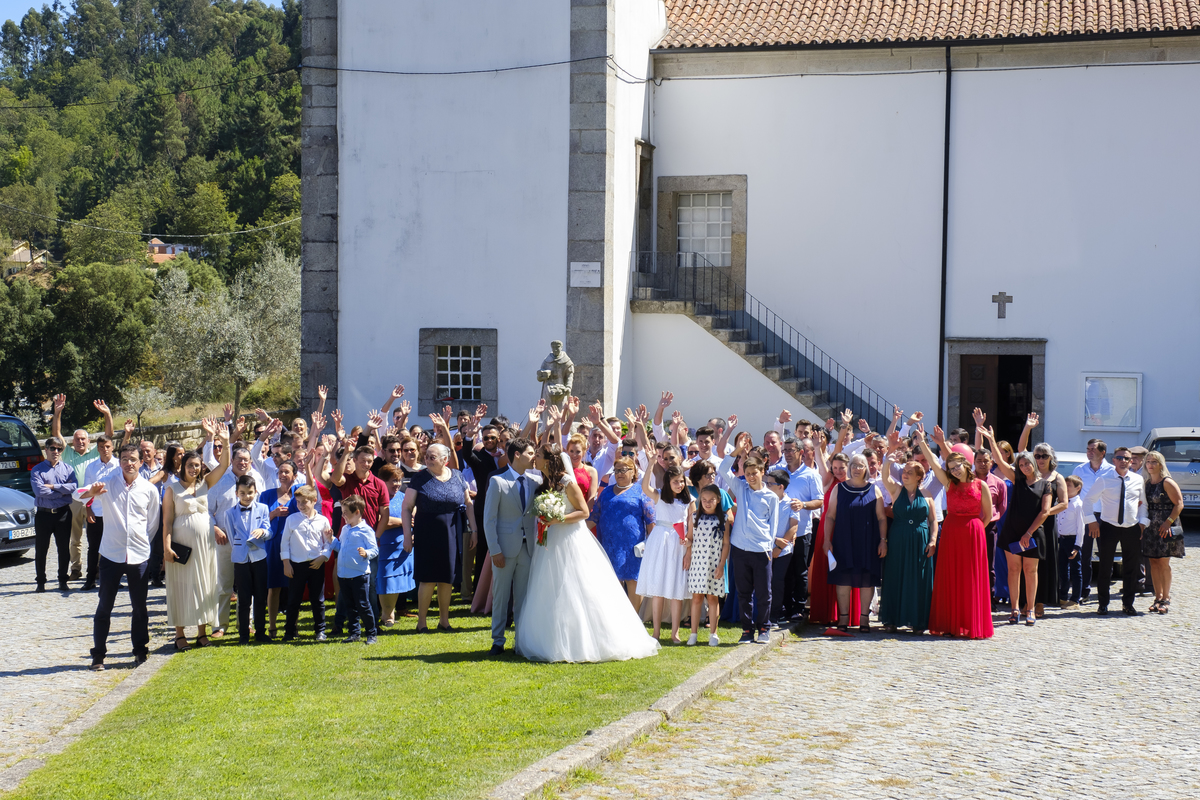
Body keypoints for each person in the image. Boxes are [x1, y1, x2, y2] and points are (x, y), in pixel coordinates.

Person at [513, 445, 659, 663]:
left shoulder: (565, 481)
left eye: (540, 456)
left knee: (576, 585)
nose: (535, 458)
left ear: (549, 459)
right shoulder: (546, 482)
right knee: (551, 586)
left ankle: (587, 640)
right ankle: (551, 637)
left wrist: (557, 519)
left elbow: (584, 512)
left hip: (570, 538)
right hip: (551, 541)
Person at [73, 443, 161, 670]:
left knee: (140, 608)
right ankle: (98, 655)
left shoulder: (149, 490)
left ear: (141, 462)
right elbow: (77, 495)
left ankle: (140, 651)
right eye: (124, 459)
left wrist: (140, 542)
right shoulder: (109, 485)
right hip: (111, 555)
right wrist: (90, 494)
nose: (128, 463)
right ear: (119, 461)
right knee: (104, 607)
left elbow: (152, 525)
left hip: (139, 556)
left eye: (133, 459)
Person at [915, 430, 993, 638]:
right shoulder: (949, 483)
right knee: (951, 577)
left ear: (966, 464)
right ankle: (951, 622)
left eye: (957, 467)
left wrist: (975, 530)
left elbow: (988, 514)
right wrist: (922, 441)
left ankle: (970, 623)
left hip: (973, 534)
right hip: (951, 532)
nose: (955, 471)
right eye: (950, 468)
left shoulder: (981, 485)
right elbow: (932, 460)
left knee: (971, 579)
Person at [163, 420, 230, 650]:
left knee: (204, 584)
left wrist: (226, 441)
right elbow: (167, 522)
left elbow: (223, 466)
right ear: (183, 465)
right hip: (182, 545)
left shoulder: (204, 484)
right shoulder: (172, 488)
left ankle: (202, 632)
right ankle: (180, 634)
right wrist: (166, 547)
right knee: (181, 586)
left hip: (205, 547)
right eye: (191, 465)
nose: (194, 469)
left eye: (198, 465)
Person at [719, 415, 780, 645]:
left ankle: (763, 628)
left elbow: (772, 527)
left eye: (755, 473)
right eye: (748, 473)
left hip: (761, 549)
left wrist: (769, 547)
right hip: (740, 548)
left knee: (764, 593)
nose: (751, 477)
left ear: (762, 472)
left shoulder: (770, 497)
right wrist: (736, 451)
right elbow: (724, 468)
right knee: (744, 592)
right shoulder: (740, 486)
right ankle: (747, 631)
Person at [402, 442, 475, 633]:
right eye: (426, 456)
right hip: (426, 530)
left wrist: (473, 529)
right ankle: (422, 623)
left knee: (447, 578)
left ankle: (444, 621)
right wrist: (407, 536)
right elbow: (407, 507)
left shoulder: (458, 476)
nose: (426, 459)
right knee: (427, 578)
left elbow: (468, 503)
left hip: (452, 531)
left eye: (432, 457)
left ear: (445, 460)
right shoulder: (420, 478)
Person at [987, 430, 1052, 626]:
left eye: (1027, 463)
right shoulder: (1017, 480)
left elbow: (1045, 512)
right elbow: (999, 461)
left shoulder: (1045, 485)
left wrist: (1029, 533)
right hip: (1013, 532)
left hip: (1033, 534)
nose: (1024, 467)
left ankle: (1030, 609)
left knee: (1030, 572)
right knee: (1013, 570)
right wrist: (991, 439)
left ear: (1034, 463)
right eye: (1021, 464)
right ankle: (1015, 610)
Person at [481, 437, 538, 655]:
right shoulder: (498, 481)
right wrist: (495, 550)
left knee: (523, 596)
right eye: (530, 453)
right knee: (501, 595)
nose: (533, 457)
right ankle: (498, 640)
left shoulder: (534, 481)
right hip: (504, 548)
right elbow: (489, 519)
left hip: (527, 548)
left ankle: (521, 640)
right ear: (517, 454)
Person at [50, 394, 116, 581]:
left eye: (83, 439)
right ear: (72, 442)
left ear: (88, 442)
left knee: (98, 537)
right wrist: (57, 412)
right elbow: (56, 434)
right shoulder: (68, 453)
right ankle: (76, 569)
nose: (80, 441)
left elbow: (108, 436)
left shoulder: (96, 453)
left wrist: (107, 415)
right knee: (75, 538)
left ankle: (96, 569)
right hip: (74, 500)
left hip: (95, 500)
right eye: (77, 439)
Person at [822, 453, 887, 635]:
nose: (857, 468)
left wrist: (883, 541)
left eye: (861, 465)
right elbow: (830, 516)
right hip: (843, 540)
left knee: (866, 580)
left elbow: (882, 518)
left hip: (868, 541)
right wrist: (827, 540)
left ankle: (864, 618)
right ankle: (843, 617)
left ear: (866, 468)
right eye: (854, 465)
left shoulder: (874, 490)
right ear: (849, 467)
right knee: (843, 579)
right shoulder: (839, 488)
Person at [1081, 446, 1149, 616]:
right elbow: (1088, 501)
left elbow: (1143, 504)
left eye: (1127, 458)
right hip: (1108, 527)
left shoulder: (1137, 479)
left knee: (1130, 568)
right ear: (1114, 460)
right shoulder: (1104, 479)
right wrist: (1092, 522)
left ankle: (1128, 604)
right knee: (1105, 567)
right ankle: (1103, 604)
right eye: (1120, 458)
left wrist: (1142, 523)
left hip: (1131, 528)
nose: (1123, 461)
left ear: (1131, 460)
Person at [636, 459, 694, 644]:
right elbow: (645, 487)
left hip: (679, 543)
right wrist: (651, 464)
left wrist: (688, 547)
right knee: (658, 586)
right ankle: (656, 632)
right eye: (675, 481)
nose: (679, 484)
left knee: (676, 586)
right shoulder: (659, 496)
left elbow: (691, 526)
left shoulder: (689, 501)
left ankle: (675, 632)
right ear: (668, 482)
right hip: (660, 540)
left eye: (681, 481)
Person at [877, 453, 937, 634]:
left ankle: (918, 621)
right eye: (904, 471)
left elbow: (933, 520)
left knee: (918, 578)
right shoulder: (896, 490)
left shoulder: (927, 495)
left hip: (920, 539)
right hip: (898, 538)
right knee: (895, 575)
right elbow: (885, 476)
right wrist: (888, 461)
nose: (905, 474)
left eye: (910, 472)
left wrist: (933, 540)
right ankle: (891, 619)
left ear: (919, 477)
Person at [587, 456, 655, 609]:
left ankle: (635, 621)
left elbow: (651, 520)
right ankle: (616, 620)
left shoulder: (641, 491)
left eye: (624, 470)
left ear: (633, 472)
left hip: (633, 545)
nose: (619, 473)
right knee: (612, 580)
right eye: (617, 470)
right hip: (609, 544)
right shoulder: (606, 492)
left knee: (633, 580)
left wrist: (652, 543)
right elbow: (594, 516)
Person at [222, 475, 273, 643]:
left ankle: (260, 632)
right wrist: (240, 548)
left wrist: (263, 532)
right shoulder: (229, 513)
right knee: (243, 598)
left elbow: (269, 531)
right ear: (237, 493)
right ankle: (243, 634)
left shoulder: (263, 509)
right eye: (242, 493)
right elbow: (231, 534)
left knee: (260, 596)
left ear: (256, 492)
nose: (247, 496)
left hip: (259, 556)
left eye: (250, 492)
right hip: (241, 558)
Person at [281, 485, 333, 641]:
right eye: (298, 502)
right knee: (293, 600)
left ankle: (320, 630)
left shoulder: (323, 520)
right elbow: (285, 543)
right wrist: (286, 563)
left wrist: (323, 557)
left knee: (318, 599)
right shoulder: (292, 519)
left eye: (305, 502)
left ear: (314, 501)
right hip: (296, 565)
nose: (301, 506)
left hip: (316, 564)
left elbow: (328, 543)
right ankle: (289, 631)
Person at [683, 484, 730, 646]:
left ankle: (713, 634)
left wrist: (722, 564)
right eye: (704, 500)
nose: (707, 503)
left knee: (712, 598)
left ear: (718, 500)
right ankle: (693, 634)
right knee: (696, 598)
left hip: (714, 563)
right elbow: (690, 538)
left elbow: (726, 544)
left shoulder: (723, 519)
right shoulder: (694, 517)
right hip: (697, 563)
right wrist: (686, 542)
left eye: (711, 500)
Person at [329, 495, 379, 643]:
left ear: (357, 512)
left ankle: (371, 633)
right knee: (350, 606)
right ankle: (354, 633)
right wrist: (331, 540)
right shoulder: (345, 529)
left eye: (346, 513)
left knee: (363, 605)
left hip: (359, 574)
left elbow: (374, 549)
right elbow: (340, 547)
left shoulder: (365, 530)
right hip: (344, 574)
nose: (343, 516)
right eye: (342, 512)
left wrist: (366, 553)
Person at [32, 436, 78, 593]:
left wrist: (53, 486)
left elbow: (73, 487)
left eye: (59, 449)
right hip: (43, 515)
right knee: (41, 549)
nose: (56, 452)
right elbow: (39, 491)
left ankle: (63, 580)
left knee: (63, 549)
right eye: (53, 448)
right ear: (46, 450)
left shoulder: (68, 469)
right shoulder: (37, 470)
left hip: (63, 514)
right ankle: (40, 582)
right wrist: (61, 492)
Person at [1140, 451, 1184, 614]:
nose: (1150, 465)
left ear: (1160, 464)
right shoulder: (1147, 483)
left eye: (1154, 462)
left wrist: (1168, 522)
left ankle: (1166, 598)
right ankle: (1157, 598)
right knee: (1153, 563)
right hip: (1152, 527)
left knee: (1164, 563)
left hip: (1168, 526)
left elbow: (1179, 504)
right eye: (1148, 462)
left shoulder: (1167, 482)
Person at [258, 459, 298, 638]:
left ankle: (292, 625)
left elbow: (313, 494)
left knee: (293, 588)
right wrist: (273, 514)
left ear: (294, 476)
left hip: (295, 546)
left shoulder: (299, 494)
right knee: (274, 588)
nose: (283, 475)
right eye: (280, 472)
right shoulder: (266, 495)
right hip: (273, 546)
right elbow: (258, 520)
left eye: (287, 472)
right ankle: (272, 626)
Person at [1072, 439, 1115, 603]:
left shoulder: (1111, 470)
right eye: (1088, 449)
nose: (1089, 452)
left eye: (1093, 449)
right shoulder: (1080, 470)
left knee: (1106, 554)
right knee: (1085, 555)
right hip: (1086, 516)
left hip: (1106, 516)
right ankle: (1085, 590)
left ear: (1102, 452)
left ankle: (1105, 590)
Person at [376, 464, 416, 626]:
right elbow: (379, 521)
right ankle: (387, 615)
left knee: (397, 581)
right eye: (393, 481)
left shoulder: (404, 497)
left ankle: (389, 613)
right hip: (384, 546)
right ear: (383, 481)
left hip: (403, 546)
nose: (397, 484)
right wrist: (402, 521)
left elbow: (414, 517)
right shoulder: (378, 498)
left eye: (399, 480)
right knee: (385, 580)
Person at [79, 434, 119, 591]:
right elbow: (87, 490)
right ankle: (90, 579)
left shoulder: (118, 465)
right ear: (97, 449)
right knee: (94, 547)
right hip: (96, 512)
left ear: (112, 447)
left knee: (114, 546)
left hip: (113, 513)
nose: (104, 450)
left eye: (107, 446)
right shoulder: (91, 467)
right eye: (101, 447)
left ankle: (114, 578)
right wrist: (88, 509)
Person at [764, 470, 800, 629]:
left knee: (777, 582)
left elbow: (793, 527)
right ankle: (762, 615)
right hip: (765, 548)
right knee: (764, 582)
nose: (766, 486)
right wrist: (773, 542)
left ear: (781, 486)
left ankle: (774, 616)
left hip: (783, 551)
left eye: (770, 483)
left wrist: (779, 547)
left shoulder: (790, 503)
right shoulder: (764, 500)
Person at [1057, 475, 1087, 608]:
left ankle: (1075, 599)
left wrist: (1077, 546)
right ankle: (1063, 596)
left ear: (1078, 488)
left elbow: (1081, 528)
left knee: (1076, 570)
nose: (1065, 488)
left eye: (1068, 485)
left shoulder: (1078, 505)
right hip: (1061, 539)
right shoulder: (1061, 502)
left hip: (1072, 540)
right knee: (1062, 570)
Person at [566, 433, 599, 509]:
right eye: (571, 451)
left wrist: (584, 515)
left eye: (578, 451)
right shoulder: (562, 470)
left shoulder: (592, 471)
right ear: (567, 451)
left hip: (583, 513)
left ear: (584, 452)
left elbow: (592, 496)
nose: (574, 454)